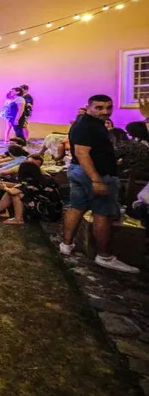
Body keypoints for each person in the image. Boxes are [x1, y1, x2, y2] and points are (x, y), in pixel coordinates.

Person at [60, 95, 139, 273]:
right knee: (103, 213)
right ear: (89, 107)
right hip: (94, 173)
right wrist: (96, 179)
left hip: (80, 171)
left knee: (76, 207)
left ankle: (66, 245)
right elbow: (82, 153)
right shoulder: (87, 125)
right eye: (99, 107)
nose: (105, 111)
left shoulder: (89, 123)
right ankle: (104, 256)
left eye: (108, 107)